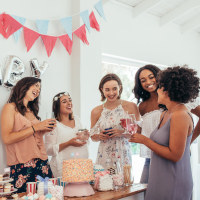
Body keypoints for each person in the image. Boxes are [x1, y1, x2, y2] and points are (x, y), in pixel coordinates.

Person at [130, 66, 200, 200]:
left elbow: (175, 155)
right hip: (159, 174)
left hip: (173, 178)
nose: (157, 88)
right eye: (143, 80)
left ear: (168, 91)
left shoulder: (180, 115)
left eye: (160, 86)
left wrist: (144, 140)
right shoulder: (166, 113)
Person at [1, 77, 56, 193]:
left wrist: (44, 129)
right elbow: (7, 138)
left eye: (40, 88)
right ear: (24, 86)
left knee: (49, 196)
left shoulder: (31, 111)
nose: (38, 89)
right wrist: (36, 127)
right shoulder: (10, 108)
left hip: (42, 162)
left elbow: (33, 134)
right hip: (22, 165)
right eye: (35, 85)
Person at [90, 73, 140, 169]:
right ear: (102, 90)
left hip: (123, 155)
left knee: (125, 182)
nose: (111, 93)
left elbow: (138, 133)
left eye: (114, 89)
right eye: (107, 90)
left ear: (119, 88)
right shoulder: (96, 111)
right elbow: (93, 137)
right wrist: (99, 136)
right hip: (104, 156)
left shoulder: (130, 106)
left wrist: (122, 133)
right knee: (104, 182)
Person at [45, 92, 89, 177]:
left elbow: (80, 138)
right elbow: (49, 150)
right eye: (64, 101)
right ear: (57, 106)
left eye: (70, 100)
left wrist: (85, 136)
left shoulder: (77, 119)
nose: (69, 103)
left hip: (82, 167)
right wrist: (69, 143)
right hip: (63, 169)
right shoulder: (52, 124)